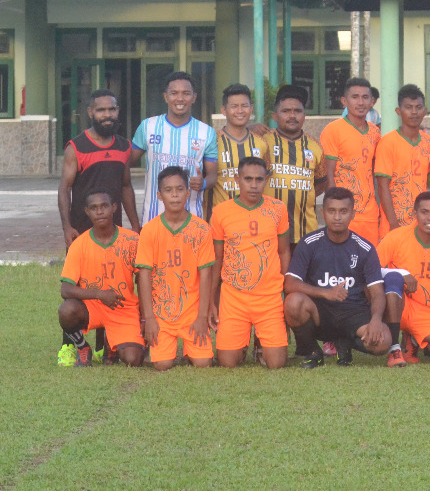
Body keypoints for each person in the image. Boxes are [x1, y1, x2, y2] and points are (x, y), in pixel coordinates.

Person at [285, 187, 393, 368]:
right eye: (331, 211)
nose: (337, 217)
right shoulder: (309, 243)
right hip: (321, 312)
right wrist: (325, 293)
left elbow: (377, 293)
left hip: (353, 313)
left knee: (383, 342)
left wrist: (375, 320)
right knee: (293, 302)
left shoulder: (365, 248)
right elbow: (290, 283)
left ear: (352, 214)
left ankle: (345, 342)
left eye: (343, 211)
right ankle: (313, 351)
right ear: (323, 213)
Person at [209, 156, 291, 369]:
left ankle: (261, 343)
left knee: (276, 364)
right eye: (248, 179)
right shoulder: (221, 211)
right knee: (227, 363)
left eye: (259, 179)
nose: (254, 185)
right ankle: (243, 343)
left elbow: (284, 251)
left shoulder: (278, 209)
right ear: (237, 179)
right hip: (234, 298)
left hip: (269, 297)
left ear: (266, 180)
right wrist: (212, 299)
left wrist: (286, 290)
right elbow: (217, 259)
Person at [135, 166, 215, 370]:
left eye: (180, 189)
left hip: (192, 312)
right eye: (168, 190)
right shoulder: (149, 231)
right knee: (162, 364)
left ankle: (191, 349)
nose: (175, 195)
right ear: (159, 196)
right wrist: (149, 318)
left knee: (203, 363)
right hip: (162, 314)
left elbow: (206, 275)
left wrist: (202, 317)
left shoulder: (201, 229)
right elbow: (144, 277)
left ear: (188, 193)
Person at [58, 191, 144, 366]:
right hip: (93, 307)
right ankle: (82, 347)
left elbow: (143, 279)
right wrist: (99, 294)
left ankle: (110, 343)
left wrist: (144, 317)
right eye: (94, 208)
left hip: (123, 308)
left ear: (114, 208)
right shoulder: (79, 245)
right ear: (87, 211)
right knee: (66, 310)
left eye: (104, 206)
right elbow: (66, 289)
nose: (99, 212)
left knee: (133, 359)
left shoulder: (132, 240)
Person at [378, 191, 430, 364]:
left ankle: (413, 339)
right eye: (424, 212)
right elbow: (371, 271)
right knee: (393, 282)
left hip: (428, 311)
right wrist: (401, 274)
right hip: (398, 304)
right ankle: (395, 349)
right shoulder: (396, 237)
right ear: (415, 214)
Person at [130, 71, 217, 224]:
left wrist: (203, 183)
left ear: (194, 97)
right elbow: (127, 162)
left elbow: (213, 175)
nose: (180, 98)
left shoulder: (206, 132)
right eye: (174, 93)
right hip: (153, 218)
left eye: (186, 93)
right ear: (166, 97)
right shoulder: (148, 126)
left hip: (192, 220)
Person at [58, 88, 138, 247]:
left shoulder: (124, 146)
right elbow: (64, 189)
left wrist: (135, 225)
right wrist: (67, 227)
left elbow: (126, 186)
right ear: (90, 112)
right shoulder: (76, 148)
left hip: (114, 233)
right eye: (101, 110)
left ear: (117, 111)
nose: (107, 115)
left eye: (112, 109)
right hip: (82, 232)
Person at [321, 77, 383, 242]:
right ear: (344, 101)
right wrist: (334, 210)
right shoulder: (333, 130)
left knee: (369, 256)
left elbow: (376, 174)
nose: (360, 102)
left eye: (365, 97)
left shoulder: (375, 133)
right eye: (355, 97)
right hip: (343, 214)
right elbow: (328, 173)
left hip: (369, 213)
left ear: (371, 101)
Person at [265, 85, 327, 246]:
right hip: (269, 232)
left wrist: (301, 193)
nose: (292, 116)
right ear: (275, 116)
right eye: (286, 111)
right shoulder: (263, 142)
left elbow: (321, 182)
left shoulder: (315, 146)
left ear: (304, 115)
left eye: (297, 111)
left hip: (306, 233)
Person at [374, 84, 430, 232]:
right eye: (408, 107)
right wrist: (393, 224)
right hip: (394, 224)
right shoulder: (388, 142)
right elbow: (382, 186)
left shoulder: (428, 142)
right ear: (398, 111)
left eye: (418, 107)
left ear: (425, 111)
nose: (414, 112)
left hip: (421, 223)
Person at [207, 84, 268, 211]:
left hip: (253, 218)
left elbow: (265, 181)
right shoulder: (212, 143)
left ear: (251, 109)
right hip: (220, 218)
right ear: (224, 110)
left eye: (244, 106)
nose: (240, 111)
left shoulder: (261, 143)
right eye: (234, 106)